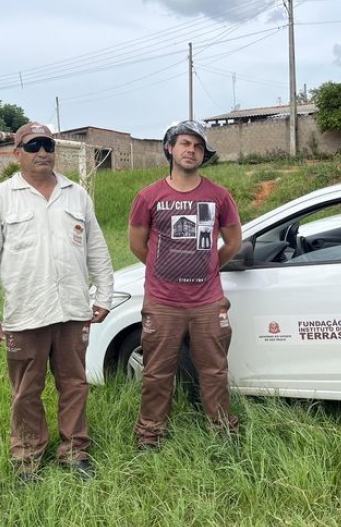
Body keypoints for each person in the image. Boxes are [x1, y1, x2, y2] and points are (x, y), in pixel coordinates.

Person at [0, 121, 114, 480]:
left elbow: (96, 249)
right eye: (33, 146)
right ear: (17, 153)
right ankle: (27, 459)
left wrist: (104, 295)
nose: (42, 153)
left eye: (48, 146)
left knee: (74, 384)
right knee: (26, 391)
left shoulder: (76, 194)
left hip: (72, 311)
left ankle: (75, 452)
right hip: (25, 314)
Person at [129, 120, 242, 449]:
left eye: (198, 146)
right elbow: (137, 245)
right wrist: (165, 270)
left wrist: (208, 268)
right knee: (156, 374)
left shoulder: (219, 196)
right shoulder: (148, 197)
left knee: (215, 371)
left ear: (204, 154)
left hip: (208, 302)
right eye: (185, 144)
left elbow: (233, 243)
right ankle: (150, 436)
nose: (191, 150)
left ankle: (223, 433)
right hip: (162, 303)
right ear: (170, 148)